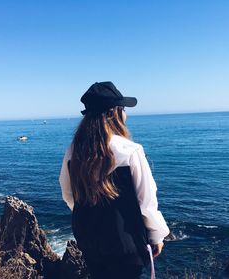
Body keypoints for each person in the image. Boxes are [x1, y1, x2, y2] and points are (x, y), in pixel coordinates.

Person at [59, 81, 170, 279]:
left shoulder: (73, 151)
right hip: (125, 245)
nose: (125, 114)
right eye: (123, 109)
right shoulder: (130, 150)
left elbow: (68, 194)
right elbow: (146, 202)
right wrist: (157, 235)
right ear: (114, 113)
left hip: (89, 240)